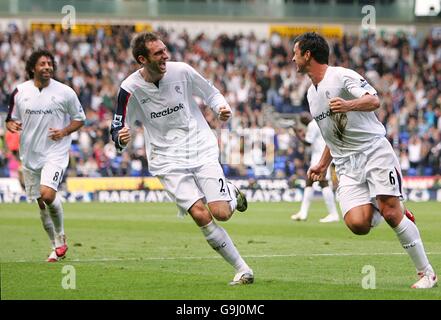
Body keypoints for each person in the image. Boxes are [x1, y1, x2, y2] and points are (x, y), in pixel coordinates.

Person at [292, 32, 437, 289]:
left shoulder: (341, 75)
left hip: (373, 152)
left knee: (392, 213)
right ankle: (391, 207)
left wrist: (348, 105)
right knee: (358, 224)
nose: (293, 58)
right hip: (346, 165)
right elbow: (331, 132)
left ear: (307, 55)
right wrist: (323, 163)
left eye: (296, 53)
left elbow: (374, 100)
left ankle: (426, 273)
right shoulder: (311, 95)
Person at [110, 32, 253, 285]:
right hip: (166, 160)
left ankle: (230, 190)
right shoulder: (128, 89)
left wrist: (221, 108)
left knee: (221, 212)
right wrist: (121, 139)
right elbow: (118, 127)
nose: (165, 56)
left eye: (165, 50)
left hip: (199, 147)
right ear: (142, 59)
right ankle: (243, 269)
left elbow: (211, 93)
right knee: (200, 214)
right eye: (158, 53)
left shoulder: (182, 71)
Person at [5, 49, 86, 262]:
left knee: (48, 195)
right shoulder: (19, 92)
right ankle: (55, 246)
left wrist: (64, 131)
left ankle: (60, 236)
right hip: (30, 155)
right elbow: (11, 118)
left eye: (50, 63)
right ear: (33, 67)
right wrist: (11, 124)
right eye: (42, 63)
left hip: (55, 152)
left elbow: (80, 118)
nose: (47, 67)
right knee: (41, 204)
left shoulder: (65, 92)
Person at [291, 112, 340, 223]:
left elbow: (308, 143)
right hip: (321, 155)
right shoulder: (318, 122)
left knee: (323, 183)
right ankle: (303, 212)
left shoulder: (312, 125)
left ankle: (333, 214)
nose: (307, 115)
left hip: (319, 157)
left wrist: (298, 135)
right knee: (309, 182)